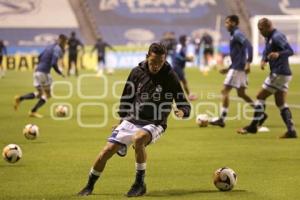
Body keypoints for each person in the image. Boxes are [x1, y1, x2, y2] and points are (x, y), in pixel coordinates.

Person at [77, 43, 191, 197]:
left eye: (160, 62)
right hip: (132, 119)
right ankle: (89, 186)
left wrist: (182, 112)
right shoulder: (136, 72)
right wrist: (120, 122)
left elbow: (183, 102)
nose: (156, 66)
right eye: (153, 62)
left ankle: (139, 183)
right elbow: (126, 98)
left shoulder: (170, 75)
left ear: (165, 60)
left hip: (155, 122)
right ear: (147, 57)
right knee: (106, 151)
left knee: (138, 139)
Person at [237, 18, 297, 138]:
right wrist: (264, 58)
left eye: (261, 30)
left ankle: (253, 126)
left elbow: (290, 51)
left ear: (267, 27)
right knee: (280, 102)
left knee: (260, 96)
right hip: (283, 74)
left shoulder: (277, 36)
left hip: (279, 73)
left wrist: (278, 54)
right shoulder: (268, 37)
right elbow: (266, 49)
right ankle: (291, 131)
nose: (260, 32)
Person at [210, 15, 267, 128]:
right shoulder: (233, 35)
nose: (226, 24)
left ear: (234, 23)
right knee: (241, 94)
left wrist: (248, 62)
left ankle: (221, 119)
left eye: (228, 22)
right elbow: (238, 55)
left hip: (238, 69)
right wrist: (228, 68)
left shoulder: (237, 34)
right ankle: (261, 113)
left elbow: (249, 46)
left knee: (224, 91)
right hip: (237, 67)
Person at [14, 34, 67, 118]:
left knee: (40, 94)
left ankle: (20, 98)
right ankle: (32, 111)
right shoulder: (57, 49)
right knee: (47, 95)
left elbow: (39, 56)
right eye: (65, 42)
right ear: (63, 41)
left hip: (37, 71)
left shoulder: (50, 46)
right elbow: (53, 63)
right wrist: (59, 72)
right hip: (43, 73)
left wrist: (42, 65)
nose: (65, 44)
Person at [172, 35, 197, 101]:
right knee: (183, 81)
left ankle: (187, 95)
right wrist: (185, 59)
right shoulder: (179, 46)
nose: (187, 41)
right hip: (177, 66)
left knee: (177, 82)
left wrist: (187, 59)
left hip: (178, 66)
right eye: (186, 40)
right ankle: (189, 95)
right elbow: (177, 55)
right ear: (183, 40)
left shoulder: (182, 46)